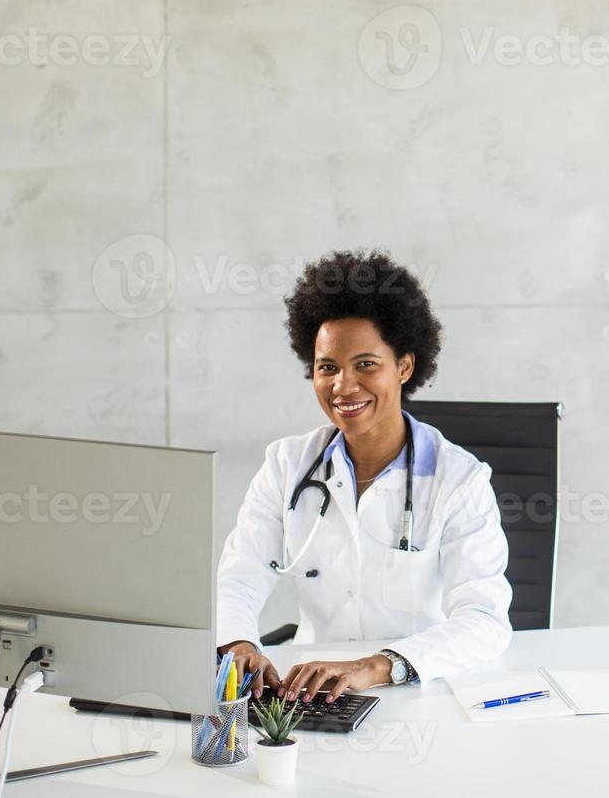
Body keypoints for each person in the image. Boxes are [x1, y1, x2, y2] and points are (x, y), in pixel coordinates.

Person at [216, 250, 513, 704]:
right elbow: (239, 577)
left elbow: (485, 620)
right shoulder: (287, 464)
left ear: (405, 367)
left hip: (416, 686)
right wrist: (239, 643)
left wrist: (378, 665)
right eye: (328, 367)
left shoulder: (460, 478)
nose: (343, 386)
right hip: (311, 694)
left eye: (366, 364)